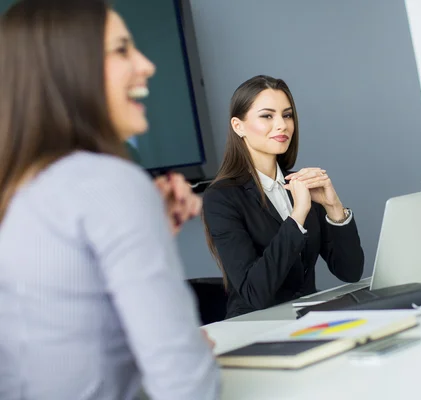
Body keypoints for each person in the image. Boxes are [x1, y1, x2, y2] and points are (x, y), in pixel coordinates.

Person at [0, 1, 219, 399]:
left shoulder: (17, 192)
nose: (146, 65)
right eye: (121, 50)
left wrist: (145, 232)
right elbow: (186, 384)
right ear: (68, 69)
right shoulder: (109, 183)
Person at [202, 75, 364, 318]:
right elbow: (255, 292)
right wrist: (298, 215)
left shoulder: (301, 184)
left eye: (287, 115)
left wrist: (334, 208)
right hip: (255, 325)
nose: (282, 125)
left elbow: (350, 272)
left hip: (309, 317)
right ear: (239, 126)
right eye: (267, 116)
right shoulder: (221, 197)